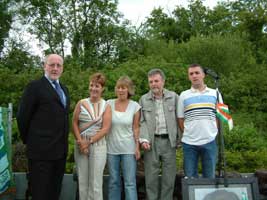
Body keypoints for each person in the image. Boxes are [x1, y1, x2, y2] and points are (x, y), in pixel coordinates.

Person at [17, 54, 70, 200]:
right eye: (51, 65)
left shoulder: (64, 90)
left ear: (62, 68)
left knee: (54, 192)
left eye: (58, 65)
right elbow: (23, 117)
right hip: (40, 153)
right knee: (40, 193)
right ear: (44, 66)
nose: (55, 68)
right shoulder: (34, 87)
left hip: (60, 152)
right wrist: (32, 141)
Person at [139, 68, 179, 200]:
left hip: (169, 142)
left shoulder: (174, 97)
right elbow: (141, 121)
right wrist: (144, 139)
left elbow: (180, 118)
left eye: (156, 81)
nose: (154, 84)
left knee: (169, 177)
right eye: (151, 82)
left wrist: (180, 139)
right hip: (151, 142)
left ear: (163, 81)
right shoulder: (143, 99)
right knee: (150, 177)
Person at [178, 64, 222, 178]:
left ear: (203, 75)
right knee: (190, 178)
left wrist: (213, 132)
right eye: (191, 74)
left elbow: (220, 116)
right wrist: (188, 132)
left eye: (197, 73)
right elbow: (180, 118)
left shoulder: (215, 93)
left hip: (210, 141)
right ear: (188, 77)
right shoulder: (183, 95)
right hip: (189, 143)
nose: (194, 76)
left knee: (209, 177)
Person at [72, 72, 111, 200]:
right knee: (82, 180)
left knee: (95, 182)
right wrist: (80, 142)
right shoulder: (81, 103)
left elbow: (105, 128)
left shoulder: (106, 106)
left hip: (98, 145)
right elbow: (74, 123)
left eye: (97, 86)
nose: (94, 88)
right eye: (92, 85)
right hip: (80, 144)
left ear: (102, 89)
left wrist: (88, 142)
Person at [107, 76, 141, 200]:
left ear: (129, 90)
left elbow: (136, 128)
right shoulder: (108, 104)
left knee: (130, 183)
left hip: (129, 149)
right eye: (119, 87)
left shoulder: (135, 106)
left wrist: (137, 147)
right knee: (113, 181)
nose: (121, 90)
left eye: (124, 88)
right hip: (111, 149)